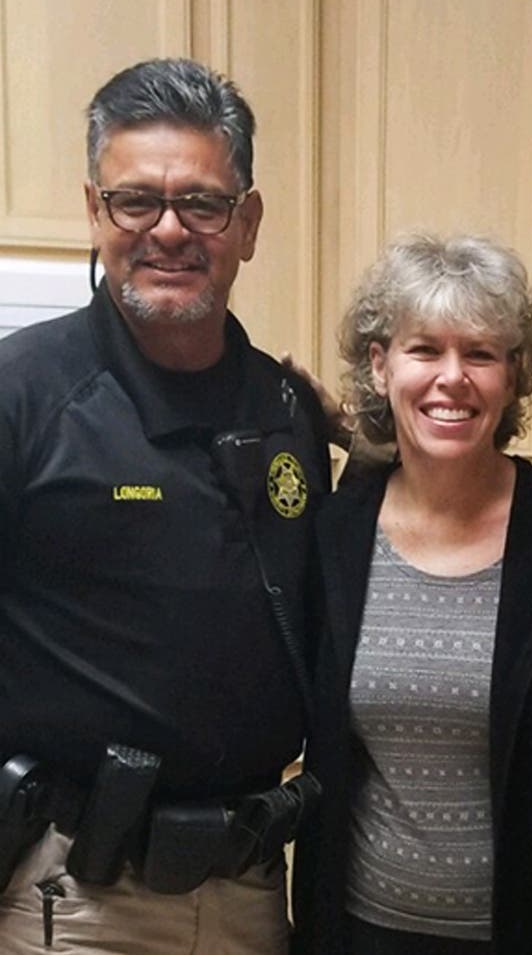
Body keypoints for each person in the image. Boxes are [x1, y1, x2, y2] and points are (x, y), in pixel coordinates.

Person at [0, 58, 330, 953]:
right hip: (79, 900)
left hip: (255, 888)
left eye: (204, 204)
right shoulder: (22, 393)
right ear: (94, 211)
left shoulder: (288, 412)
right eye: (136, 201)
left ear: (249, 222)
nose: (169, 231)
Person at [290, 233, 532, 955]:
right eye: (424, 349)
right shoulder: (337, 532)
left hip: (525, 932)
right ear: (380, 366)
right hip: (357, 928)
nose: (452, 376)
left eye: (480, 352)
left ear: (513, 374)